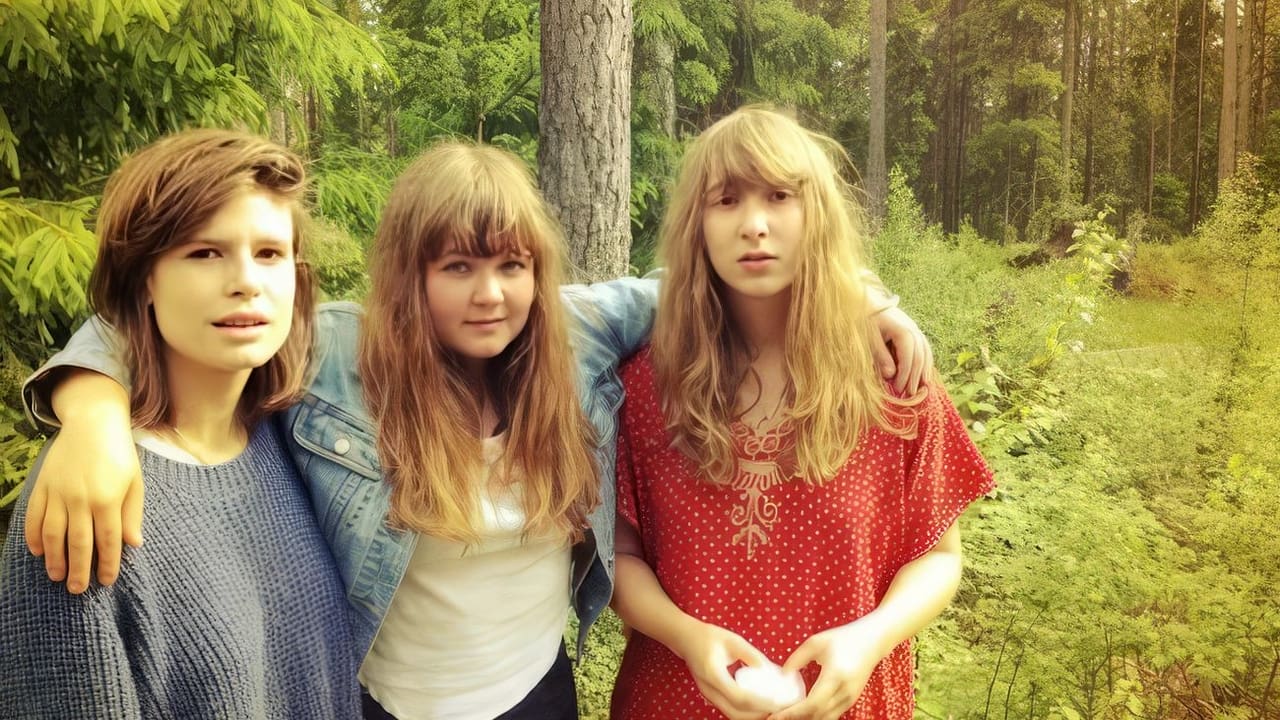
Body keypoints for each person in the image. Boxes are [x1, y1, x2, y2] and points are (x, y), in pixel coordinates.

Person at [18, 140, 933, 719]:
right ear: (408, 275)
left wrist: (871, 300)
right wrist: (91, 411)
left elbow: (718, 275)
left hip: (537, 691)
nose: (490, 294)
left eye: (511, 265)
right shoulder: (339, 354)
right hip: (382, 701)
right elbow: (172, 318)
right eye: (456, 266)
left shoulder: (577, 336)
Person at [609, 106, 995, 720]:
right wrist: (686, 636)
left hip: (847, 703)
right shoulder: (644, 385)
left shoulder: (892, 379)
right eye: (726, 200)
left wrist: (870, 638)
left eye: (780, 196)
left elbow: (939, 557)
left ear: (817, 214)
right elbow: (619, 557)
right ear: (696, 224)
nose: (754, 225)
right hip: (676, 701)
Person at [0, 128, 361, 718]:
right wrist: (91, 413)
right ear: (144, 279)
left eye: (269, 253)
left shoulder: (298, 437)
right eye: (204, 252)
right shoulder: (86, 501)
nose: (246, 282)